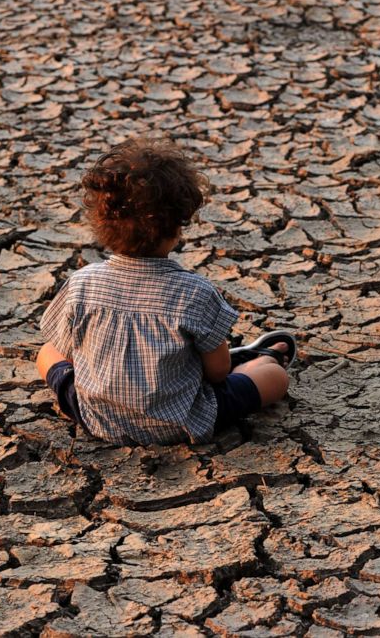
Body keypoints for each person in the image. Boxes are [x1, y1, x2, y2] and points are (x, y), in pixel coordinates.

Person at [35, 136, 292, 445]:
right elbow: (218, 373)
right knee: (274, 377)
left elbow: (68, 353)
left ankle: (244, 359)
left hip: (97, 418)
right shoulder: (194, 293)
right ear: (176, 227)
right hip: (180, 422)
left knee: (46, 352)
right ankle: (256, 359)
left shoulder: (81, 283)